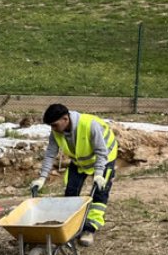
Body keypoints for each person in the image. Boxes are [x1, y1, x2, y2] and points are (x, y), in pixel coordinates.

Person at [30, 103, 118, 247]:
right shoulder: (57, 131)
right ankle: (71, 225)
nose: (53, 129)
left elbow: (102, 152)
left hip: (104, 158)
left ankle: (89, 229)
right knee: (71, 192)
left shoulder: (90, 125)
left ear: (65, 119)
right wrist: (42, 178)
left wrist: (98, 174)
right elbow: (50, 153)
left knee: (99, 194)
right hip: (80, 161)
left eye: (54, 125)